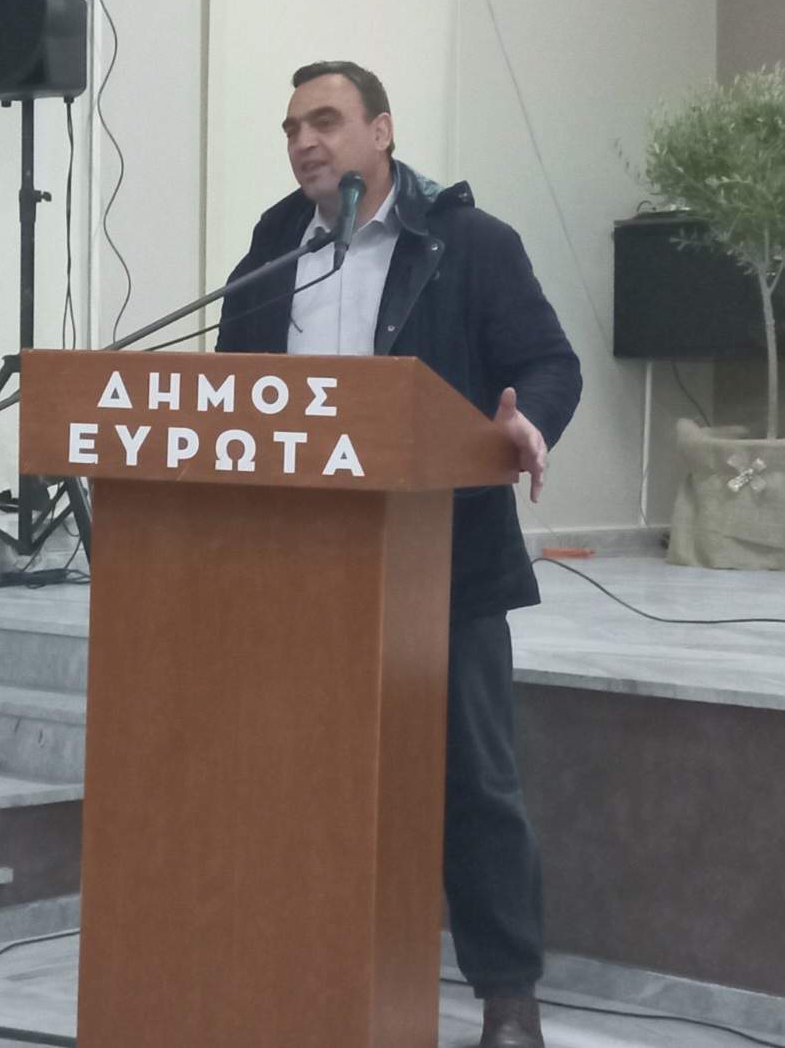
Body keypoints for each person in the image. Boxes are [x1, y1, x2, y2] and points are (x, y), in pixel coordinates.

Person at [215, 61, 582, 1048]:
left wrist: (528, 424)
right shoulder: (273, 243)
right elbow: (232, 387)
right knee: (302, 776)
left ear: (381, 131)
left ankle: (508, 998)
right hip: (299, 567)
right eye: (290, 127)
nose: (304, 141)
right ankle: (309, 972)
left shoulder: (469, 243)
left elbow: (548, 363)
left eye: (325, 120)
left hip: (444, 560)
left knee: (475, 784)